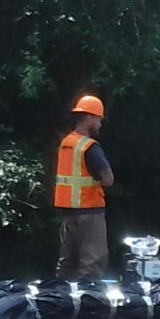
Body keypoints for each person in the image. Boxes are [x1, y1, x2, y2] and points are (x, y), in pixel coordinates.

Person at [53, 93, 116, 279]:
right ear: (89, 117)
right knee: (92, 264)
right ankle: (86, 304)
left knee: (66, 264)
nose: (100, 124)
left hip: (69, 212)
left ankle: (60, 299)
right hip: (89, 210)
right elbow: (108, 179)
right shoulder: (89, 146)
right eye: (98, 119)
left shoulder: (66, 143)